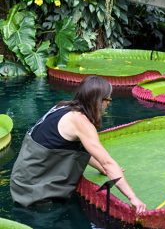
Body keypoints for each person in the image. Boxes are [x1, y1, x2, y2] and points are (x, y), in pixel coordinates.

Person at [10, 76, 146, 213]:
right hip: (34, 192)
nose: (109, 104)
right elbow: (108, 163)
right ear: (99, 101)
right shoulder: (80, 122)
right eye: (108, 99)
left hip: (20, 182)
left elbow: (79, 148)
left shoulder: (62, 106)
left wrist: (100, 168)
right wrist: (132, 197)